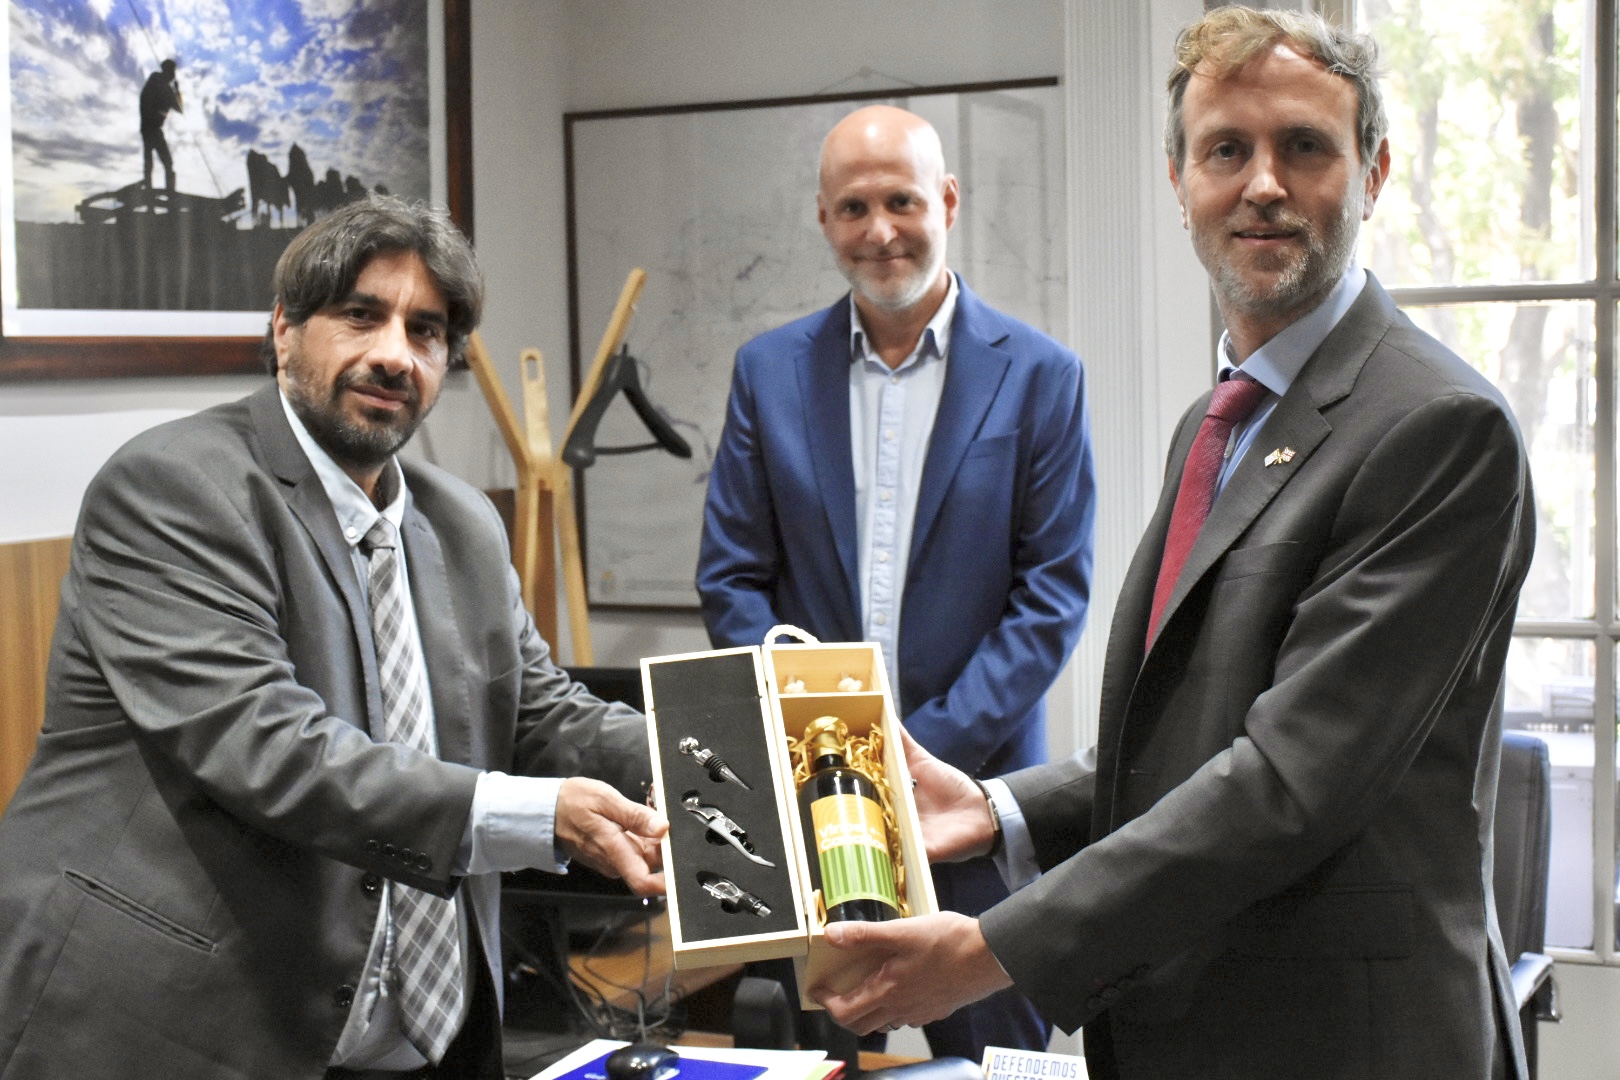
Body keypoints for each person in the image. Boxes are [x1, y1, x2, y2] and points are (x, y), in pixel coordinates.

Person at [809, 9, 1536, 1080]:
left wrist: (989, 952)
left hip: (1343, 1043)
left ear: (1374, 173)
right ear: (1179, 180)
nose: (1262, 185)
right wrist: (996, 805)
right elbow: (1191, 737)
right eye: (1225, 150)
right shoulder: (1220, 418)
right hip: (1196, 1020)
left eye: (1304, 146)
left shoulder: (1437, 427)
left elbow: (1286, 782)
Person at [0, 196, 667, 1079]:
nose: (395, 354)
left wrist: (736, 750)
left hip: (413, 1041)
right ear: (284, 330)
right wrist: (534, 816)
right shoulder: (173, 487)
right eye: (361, 314)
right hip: (179, 1027)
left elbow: (543, 716)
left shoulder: (461, 522)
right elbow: (268, 746)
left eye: (426, 331)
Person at [697, 104, 1096, 1058]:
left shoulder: (1041, 376)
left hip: (977, 800)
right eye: (854, 208)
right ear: (824, 218)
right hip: (815, 800)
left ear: (947, 201)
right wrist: (837, 753)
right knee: (817, 1059)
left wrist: (914, 761)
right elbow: (732, 581)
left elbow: (1050, 599)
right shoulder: (767, 372)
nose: (880, 231)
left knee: (994, 1065)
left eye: (902, 202)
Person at [140, 58, 183, 190]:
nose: (173, 74)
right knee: (159, 161)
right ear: (168, 71)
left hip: (151, 127)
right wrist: (176, 91)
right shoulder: (157, 80)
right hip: (150, 127)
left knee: (155, 160)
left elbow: (179, 108)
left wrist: (176, 91)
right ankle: (155, 189)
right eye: (172, 71)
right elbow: (179, 108)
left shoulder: (160, 83)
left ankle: (155, 188)